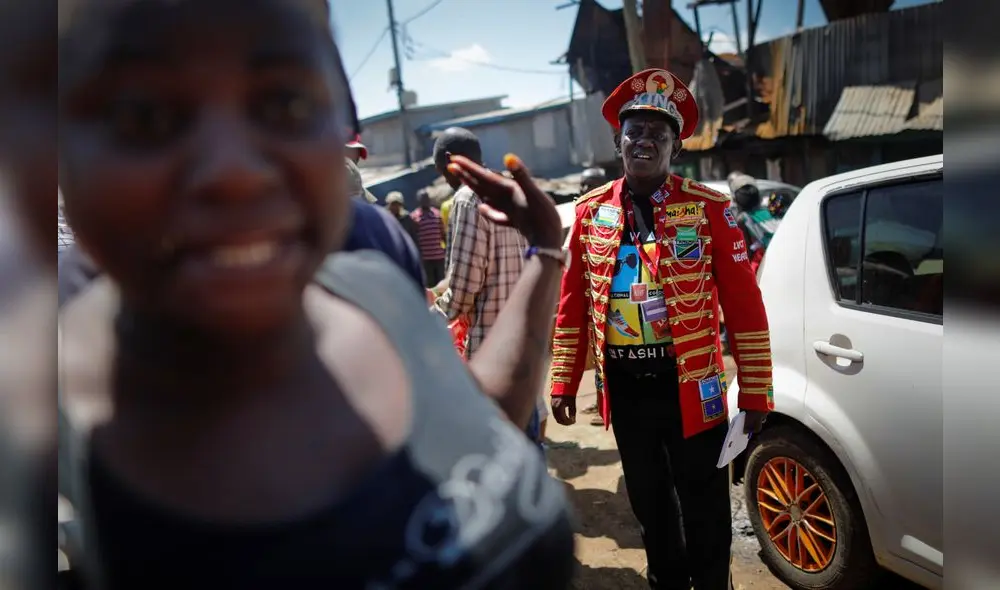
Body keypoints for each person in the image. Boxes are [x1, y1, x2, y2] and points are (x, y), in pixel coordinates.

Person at [56, 2, 575, 588]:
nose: (236, 170)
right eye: (143, 115)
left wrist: (545, 250)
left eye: (285, 102)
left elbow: (473, 421)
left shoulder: (371, 291)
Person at [549, 68, 774, 590]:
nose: (644, 140)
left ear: (675, 146)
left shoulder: (709, 208)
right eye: (635, 131)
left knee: (706, 503)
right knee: (650, 503)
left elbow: (745, 305)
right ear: (618, 141)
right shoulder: (588, 214)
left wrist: (756, 390)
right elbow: (572, 305)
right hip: (626, 390)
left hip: (694, 385)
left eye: (658, 133)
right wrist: (563, 381)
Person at [430, 127, 547, 449]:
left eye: (440, 169)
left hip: (491, 354)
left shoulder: (467, 198)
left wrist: (430, 315)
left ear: (449, 163)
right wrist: (442, 289)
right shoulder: (512, 190)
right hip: (526, 347)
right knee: (528, 448)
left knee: (502, 457)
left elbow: (465, 290)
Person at [577, 167, 610, 426]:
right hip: (590, 304)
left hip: (611, 310)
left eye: (587, 185)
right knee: (595, 361)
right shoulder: (584, 216)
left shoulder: (613, 215)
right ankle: (600, 403)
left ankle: (604, 407)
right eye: (581, 185)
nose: (582, 191)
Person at [728, 174, 780, 276]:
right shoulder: (768, 212)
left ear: (736, 199)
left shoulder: (743, 219)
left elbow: (746, 252)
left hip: (763, 266)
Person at [409, 188, 448, 286]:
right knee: (430, 284)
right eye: (423, 199)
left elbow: (443, 233)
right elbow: (413, 237)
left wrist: (447, 249)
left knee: (442, 283)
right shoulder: (414, 216)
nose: (425, 201)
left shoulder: (437, 214)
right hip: (425, 259)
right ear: (419, 201)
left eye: (426, 198)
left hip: (439, 256)